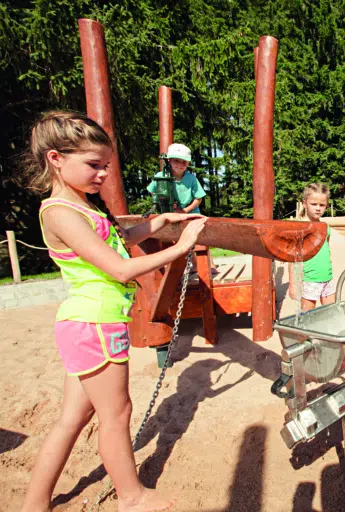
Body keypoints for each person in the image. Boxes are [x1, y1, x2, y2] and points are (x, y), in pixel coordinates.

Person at [21, 111, 207, 512]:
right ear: (56, 158)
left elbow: (120, 239)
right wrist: (180, 247)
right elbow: (120, 267)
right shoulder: (60, 212)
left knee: (74, 418)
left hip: (89, 324)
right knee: (117, 412)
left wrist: (161, 222)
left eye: (105, 166)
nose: (103, 174)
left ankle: (34, 503)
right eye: (93, 165)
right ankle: (132, 496)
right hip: (95, 325)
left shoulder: (82, 207)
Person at [289, 183, 335, 311]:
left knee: (332, 314)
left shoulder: (325, 227)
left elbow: (327, 250)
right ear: (304, 203)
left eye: (322, 205)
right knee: (308, 318)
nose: (318, 208)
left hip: (327, 278)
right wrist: (293, 284)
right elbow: (293, 258)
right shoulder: (299, 227)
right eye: (314, 204)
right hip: (309, 280)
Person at [147, 142, 206, 214]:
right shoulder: (160, 177)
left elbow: (198, 199)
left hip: (190, 214)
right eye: (176, 160)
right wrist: (163, 201)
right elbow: (152, 190)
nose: (180, 164)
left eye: (184, 161)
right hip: (170, 213)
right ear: (169, 160)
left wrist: (184, 211)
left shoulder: (192, 179)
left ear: (188, 162)